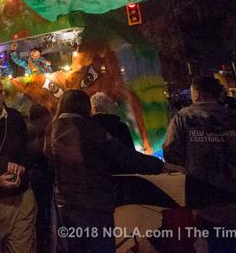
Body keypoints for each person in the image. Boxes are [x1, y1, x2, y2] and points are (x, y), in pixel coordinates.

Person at [50, 90, 177, 253]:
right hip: (94, 202)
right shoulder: (90, 128)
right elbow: (122, 155)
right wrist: (159, 166)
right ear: (85, 106)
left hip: (65, 205)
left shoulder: (52, 130)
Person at [162, 76, 236, 207]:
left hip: (200, 189)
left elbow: (170, 150)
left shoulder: (184, 117)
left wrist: (183, 176)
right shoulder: (235, 117)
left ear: (196, 94)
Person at [0, 74, 37, 253]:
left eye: (0, 93)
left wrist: (22, 166)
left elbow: (27, 150)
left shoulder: (15, 118)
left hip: (20, 196)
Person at [26, 104, 53, 253]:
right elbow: (41, 153)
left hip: (33, 176)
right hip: (42, 176)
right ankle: (44, 245)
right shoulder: (41, 132)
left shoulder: (28, 130)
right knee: (44, 214)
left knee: (37, 215)